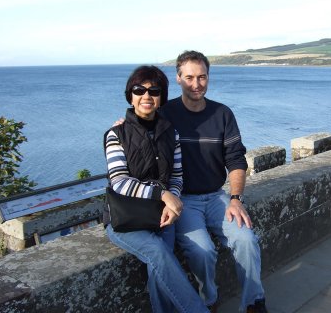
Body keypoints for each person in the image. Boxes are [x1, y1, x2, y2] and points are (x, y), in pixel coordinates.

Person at [160, 51, 268, 313]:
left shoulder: (222, 114)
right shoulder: (166, 114)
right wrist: (123, 123)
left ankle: (254, 303)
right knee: (202, 251)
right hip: (183, 199)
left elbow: (236, 160)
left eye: (202, 77)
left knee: (246, 240)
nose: (196, 84)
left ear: (208, 77)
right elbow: (138, 130)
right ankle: (208, 299)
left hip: (216, 196)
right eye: (189, 78)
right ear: (178, 78)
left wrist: (235, 198)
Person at [103, 65, 210, 313]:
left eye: (154, 90)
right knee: (159, 253)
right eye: (139, 90)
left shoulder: (170, 134)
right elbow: (119, 181)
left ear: (162, 97)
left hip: (162, 216)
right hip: (125, 219)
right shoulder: (116, 134)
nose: (146, 96)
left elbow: (177, 175)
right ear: (130, 95)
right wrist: (163, 194)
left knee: (158, 270)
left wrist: (171, 202)